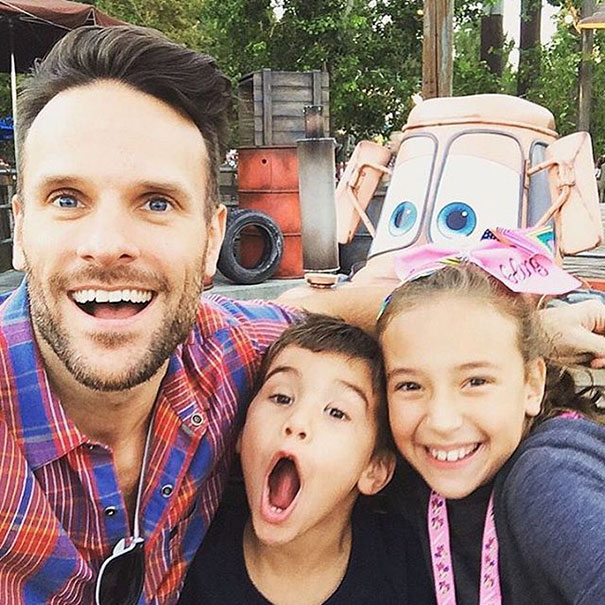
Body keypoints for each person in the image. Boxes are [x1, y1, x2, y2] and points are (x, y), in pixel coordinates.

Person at [2, 21, 605, 605]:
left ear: (213, 239)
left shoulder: (224, 353)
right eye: (67, 199)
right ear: (21, 227)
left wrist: (521, 332)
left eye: (157, 202)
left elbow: (319, 308)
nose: (107, 244)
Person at [376, 236, 605, 604]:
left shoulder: (547, 475)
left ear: (532, 384)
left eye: (476, 381)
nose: (442, 421)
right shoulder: (399, 474)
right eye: (410, 386)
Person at [179, 314, 432, 604]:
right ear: (239, 431)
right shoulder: (189, 550)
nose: (297, 422)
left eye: (336, 412)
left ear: (374, 470)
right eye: (281, 397)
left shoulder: (406, 566)